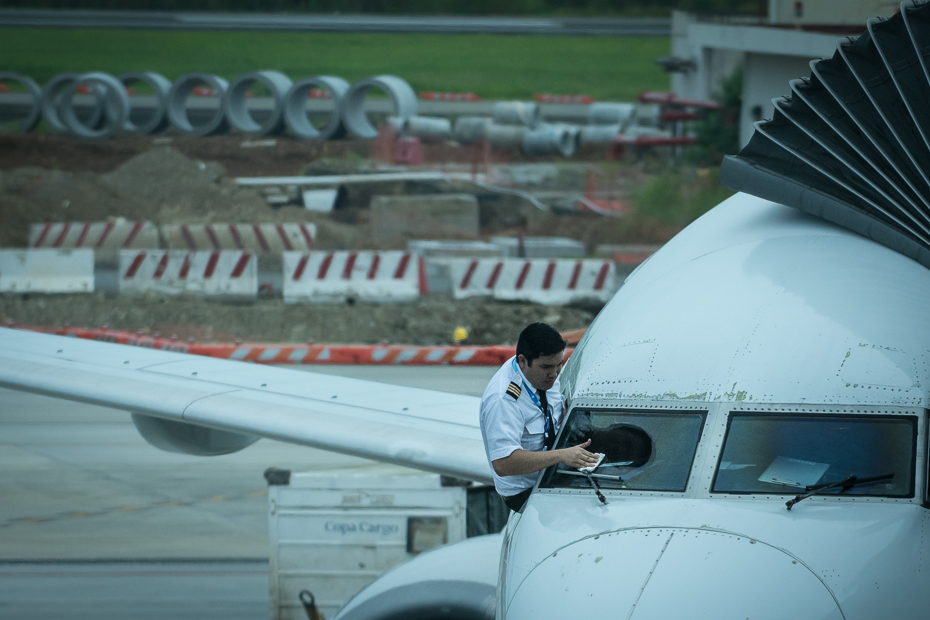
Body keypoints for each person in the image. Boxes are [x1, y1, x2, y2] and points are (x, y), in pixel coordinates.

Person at [479, 322, 599, 512]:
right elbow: (503, 463)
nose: (554, 374)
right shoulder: (504, 399)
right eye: (546, 367)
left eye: (559, 365)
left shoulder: (543, 373)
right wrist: (562, 455)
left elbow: (554, 403)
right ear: (523, 361)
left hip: (552, 468)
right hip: (525, 491)